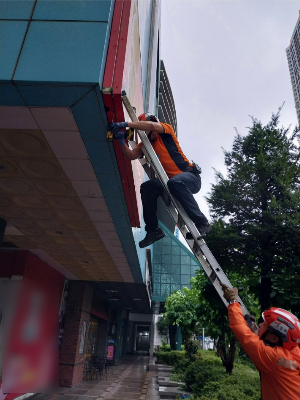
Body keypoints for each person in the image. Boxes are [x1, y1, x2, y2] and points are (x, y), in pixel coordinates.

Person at [108, 113, 211, 248]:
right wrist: (121, 141)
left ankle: (202, 223)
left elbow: (151, 125)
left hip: (190, 177)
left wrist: (124, 124)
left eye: (146, 126)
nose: (147, 130)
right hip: (169, 182)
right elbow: (131, 155)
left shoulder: (166, 131)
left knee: (174, 182)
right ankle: (153, 230)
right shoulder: (146, 145)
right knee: (147, 187)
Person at [221, 283, 300, 400]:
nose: (260, 324)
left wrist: (233, 303)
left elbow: (243, 334)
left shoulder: (273, 357)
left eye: (265, 325)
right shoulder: (293, 351)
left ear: (274, 338)